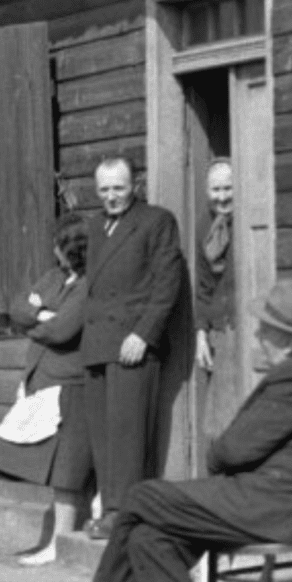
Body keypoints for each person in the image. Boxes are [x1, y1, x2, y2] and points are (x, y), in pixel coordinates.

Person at [37, 280, 292, 582]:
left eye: (265, 329)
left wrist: (217, 453)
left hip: (276, 508)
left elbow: (233, 450)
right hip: (278, 499)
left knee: (141, 497)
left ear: (288, 339)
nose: (257, 333)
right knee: (147, 536)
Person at [81, 157, 184, 538]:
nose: (111, 196)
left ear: (134, 185)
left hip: (131, 343)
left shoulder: (156, 221)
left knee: (128, 433)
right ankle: (110, 505)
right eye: (104, 189)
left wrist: (144, 334)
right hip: (96, 345)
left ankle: (124, 512)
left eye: (118, 188)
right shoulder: (95, 227)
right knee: (103, 434)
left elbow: (167, 282)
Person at [0, 212, 92, 565]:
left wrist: (39, 317)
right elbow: (18, 308)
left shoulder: (89, 284)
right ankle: (59, 540)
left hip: (69, 384)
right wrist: (41, 315)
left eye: (60, 246)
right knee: (47, 462)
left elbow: (64, 331)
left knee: (67, 469)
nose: (58, 253)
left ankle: (60, 543)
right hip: (43, 381)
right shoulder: (52, 278)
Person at [195, 159, 240, 453]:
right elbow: (203, 286)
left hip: (244, 328)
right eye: (215, 189)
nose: (222, 197)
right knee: (220, 422)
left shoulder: (246, 222)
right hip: (219, 332)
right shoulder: (205, 225)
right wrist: (200, 333)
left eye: (228, 188)